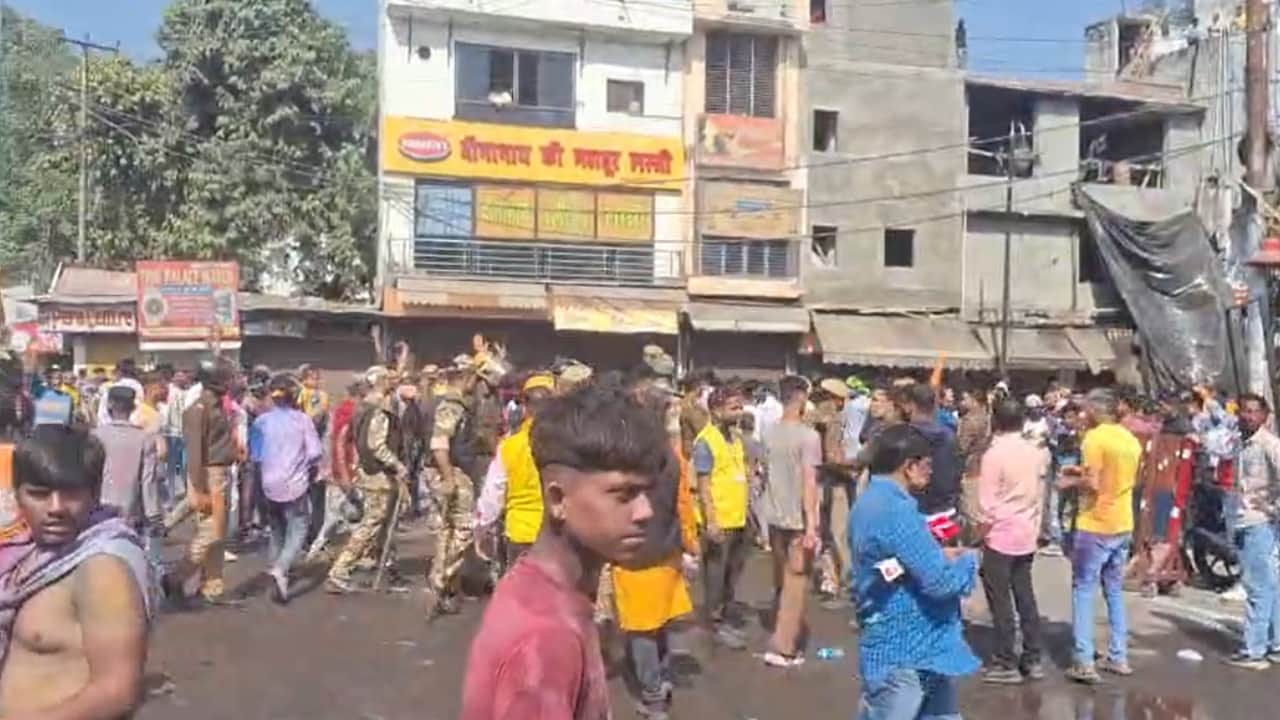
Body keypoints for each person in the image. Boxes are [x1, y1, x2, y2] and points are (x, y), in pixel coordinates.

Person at [459, 384, 671, 720]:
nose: (645, 511)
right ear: (558, 500)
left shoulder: (548, 593)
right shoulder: (545, 641)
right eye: (624, 495)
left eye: (646, 493)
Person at [0, 427, 152, 718]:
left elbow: (116, 692)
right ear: (17, 495)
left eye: (71, 494)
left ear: (94, 495)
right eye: (39, 494)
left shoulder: (102, 568)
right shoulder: (27, 554)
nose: (56, 508)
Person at [849, 423, 979, 719]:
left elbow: (895, 562)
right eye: (928, 465)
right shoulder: (896, 511)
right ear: (909, 467)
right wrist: (969, 561)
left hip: (917, 644)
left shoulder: (870, 502)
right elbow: (939, 582)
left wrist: (937, 555)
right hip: (903, 647)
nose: (931, 472)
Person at [611, 372, 698, 720]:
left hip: (638, 552)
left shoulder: (633, 454)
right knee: (657, 622)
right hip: (667, 547)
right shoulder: (670, 452)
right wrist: (689, 542)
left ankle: (653, 697)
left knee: (641, 628)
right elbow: (683, 502)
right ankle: (661, 682)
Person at [1058, 389, 1141, 684]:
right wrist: (1080, 471)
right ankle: (1118, 655)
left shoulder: (1094, 439)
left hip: (1096, 522)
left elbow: (1093, 483)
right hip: (1122, 521)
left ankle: (1084, 660)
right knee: (1113, 590)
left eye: (1085, 409)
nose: (1082, 414)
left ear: (1095, 410)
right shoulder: (1129, 439)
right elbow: (1116, 476)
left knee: (1083, 588)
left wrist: (1070, 481)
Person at [975, 399, 1048, 684]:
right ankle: (1032, 657)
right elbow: (1040, 493)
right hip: (1026, 531)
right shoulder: (1036, 452)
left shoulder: (994, 455)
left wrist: (977, 536)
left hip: (1001, 533)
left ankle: (1005, 660)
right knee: (1024, 595)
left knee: (1001, 599)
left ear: (996, 421)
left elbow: (986, 504)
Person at [167, 361, 242, 607]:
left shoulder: (217, 405)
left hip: (221, 472)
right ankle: (175, 578)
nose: (232, 382)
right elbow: (195, 453)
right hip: (210, 475)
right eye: (228, 377)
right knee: (213, 531)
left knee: (218, 537)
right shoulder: (198, 409)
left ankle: (213, 587)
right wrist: (198, 489)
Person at [327, 366, 408, 594]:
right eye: (388, 378)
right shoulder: (378, 409)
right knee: (372, 523)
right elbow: (376, 445)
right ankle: (340, 571)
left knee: (381, 523)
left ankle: (386, 566)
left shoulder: (361, 407)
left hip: (367, 471)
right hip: (379, 474)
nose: (392, 382)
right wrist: (398, 466)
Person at [761, 375, 821, 668]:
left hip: (773, 514)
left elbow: (762, 473)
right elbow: (809, 482)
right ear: (801, 398)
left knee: (781, 579)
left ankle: (779, 631)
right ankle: (784, 647)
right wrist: (812, 525)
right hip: (797, 518)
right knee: (796, 583)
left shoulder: (768, 432)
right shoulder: (809, 437)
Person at [250, 375, 322, 604]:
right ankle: (280, 569)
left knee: (276, 529)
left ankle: (275, 570)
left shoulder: (261, 422)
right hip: (294, 484)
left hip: (268, 483)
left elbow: (255, 455)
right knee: (298, 528)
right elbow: (315, 452)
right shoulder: (302, 421)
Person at [475, 373, 556, 569]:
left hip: (520, 533)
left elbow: (492, 495)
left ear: (525, 408)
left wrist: (482, 530)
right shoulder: (567, 442)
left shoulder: (510, 446)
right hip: (556, 533)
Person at [1224, 393, 1280, 669]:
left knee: (1257, 586)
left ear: (1264, 416)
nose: (1246, 416)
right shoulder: (1243, 444)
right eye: (1243, 411)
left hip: (1259, 522)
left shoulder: (1269, 445)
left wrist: (1272, 507)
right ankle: (1275, 643)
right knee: (1270, 585)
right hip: (1246, 519)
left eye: (1252, 411)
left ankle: (1253, 650)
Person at [424, 360, 484, 618]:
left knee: (447, 531)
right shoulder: (451, 406)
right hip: (453, 472)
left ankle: (446, 584)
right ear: (466, 378)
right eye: (475, 379)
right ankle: (443, 580)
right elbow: (439, 445)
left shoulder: (452, 404)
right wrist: (449, 478)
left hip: (453, 470)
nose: (476, 384)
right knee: (462, 530)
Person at [692, 385, 750, 650]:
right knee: (715, 576)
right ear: (716, 411)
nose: (739, 412)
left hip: (738, 518)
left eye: (740, 407)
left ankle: (724, 616)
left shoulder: (734, 438)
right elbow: (703, 486)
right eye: (733, 408)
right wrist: (711, 522)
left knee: (731, 574)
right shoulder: (706, 441)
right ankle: (714, 624)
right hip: (719, 520)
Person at [92, 386, 160, 557]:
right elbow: (148, 480)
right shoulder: (144, 438)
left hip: (97, 512)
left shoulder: (95, 436)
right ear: (133, 408)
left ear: (109, 406)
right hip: (130, 513)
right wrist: (153, 515)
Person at [900, 383, 962, 542]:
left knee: (915, 555)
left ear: (910, 405)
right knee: (945, 555)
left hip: (913, 513)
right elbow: (958, 473)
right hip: (946, 513)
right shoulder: (950, 436)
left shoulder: (904, 437)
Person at [813, 378, 853, 607]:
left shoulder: (817, 419)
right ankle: (839, 581)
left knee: (829, 533)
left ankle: (835, 581)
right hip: (831, 481)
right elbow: (832, 454)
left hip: (822, 481)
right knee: (835, 534)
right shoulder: (830, 420)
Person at [97, 358, 143, 427]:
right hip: (132, 428)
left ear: (119, 372)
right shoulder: (139, 387)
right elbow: (139, 410)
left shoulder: (112, 388)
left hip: (109, 427)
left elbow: (102, 413)